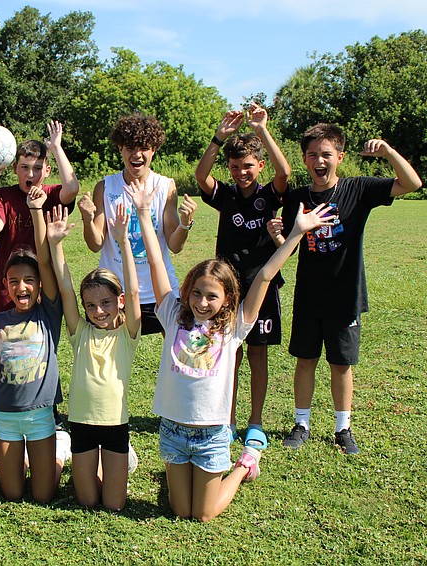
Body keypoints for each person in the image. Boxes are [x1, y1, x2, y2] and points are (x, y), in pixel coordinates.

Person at [136, 174, 334, 521]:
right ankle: (189, 478)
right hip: (173, 430)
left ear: (227, 299)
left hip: (213, 434)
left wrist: (297, 233)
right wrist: (142, 214)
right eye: (196, 293)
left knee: (204, 515)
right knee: (180, 511)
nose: (202, 302)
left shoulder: (233, 326)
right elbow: (156, 263)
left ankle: (245, 464)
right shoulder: (173, 316)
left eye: (212, 296)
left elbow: (265, 276)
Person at [272, 123, 422, 455]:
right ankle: (301, 424)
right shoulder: (297, 198)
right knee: (306, 359)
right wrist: (277, 236)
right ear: (304, 158)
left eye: (326, 154)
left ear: (339, 157)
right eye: (312, 155)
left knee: (341, 364)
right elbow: (290, 248)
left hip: (345, 296)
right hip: (309, 296)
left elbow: (411, 183)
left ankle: (343, 428)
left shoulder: (358, 189)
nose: (319, 161)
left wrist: (388, 153)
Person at [194, 102, 291, 450]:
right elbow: (200, 177)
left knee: (258, 355)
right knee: (228, 355)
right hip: (227, 291)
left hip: (262, 288)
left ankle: (256, 423)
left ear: (259, 165)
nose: (241, 172)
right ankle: (228, 418)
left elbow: (285, 173)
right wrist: (219, 138)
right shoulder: (227, 196)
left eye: (248, 166)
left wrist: (262, 130)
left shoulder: (269, 195)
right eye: (235, 167)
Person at [46, 201, 141, 511]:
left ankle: (124, 458)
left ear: (120, 301)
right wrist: (55, 244)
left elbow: (137, 293)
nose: (98, 311)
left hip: (116, 424)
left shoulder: (129, 333)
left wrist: (123, 241)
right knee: (87, 502)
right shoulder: (81, 332)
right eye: (91, 305)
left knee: (114, 505)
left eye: (106, 303)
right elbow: (66, 289)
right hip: (82, 423)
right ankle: (66, 448)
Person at [80, 112, 197, 335]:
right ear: (120, 149)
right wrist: (87, 219)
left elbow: (175, 245)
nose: (137, 154)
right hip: (116, 290)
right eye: (130, 147)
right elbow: (96, 243)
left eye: (144, 147)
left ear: (154, 149)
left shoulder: (165, 186)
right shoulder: (105, 187)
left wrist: (184, 224)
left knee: (176, 348)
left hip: (159, 290)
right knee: (113, 359)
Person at [0, 189, 70, 503]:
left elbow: (47, 264)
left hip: (40, 417)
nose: (21, 287)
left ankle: (58, 456)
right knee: (11, 493)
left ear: (38, 284)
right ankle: (24, 459)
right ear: (5, 285)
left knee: (43, 495)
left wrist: (37, 212)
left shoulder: (48, 313)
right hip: (6, 417)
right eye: (13, 281)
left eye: (29, 280)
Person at [0, 120, 79, 312]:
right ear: (15, 168)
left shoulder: (52, 194)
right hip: (10, 286)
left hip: (45, 284)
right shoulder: (4, 196)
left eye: (38, 168)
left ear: (48, 171)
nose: (31, 174)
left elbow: (72, 188)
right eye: (25, 167)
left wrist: (56, 148)